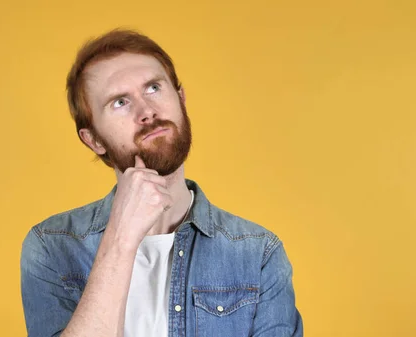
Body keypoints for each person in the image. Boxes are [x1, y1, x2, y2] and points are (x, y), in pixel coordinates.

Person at [20, 28, 303, 337]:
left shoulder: (258, 254)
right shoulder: (51, 246)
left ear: (180, 98)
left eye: (153, 87)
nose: (147, 112)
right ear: (94, 140)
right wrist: (120, 238)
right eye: (120, 102)